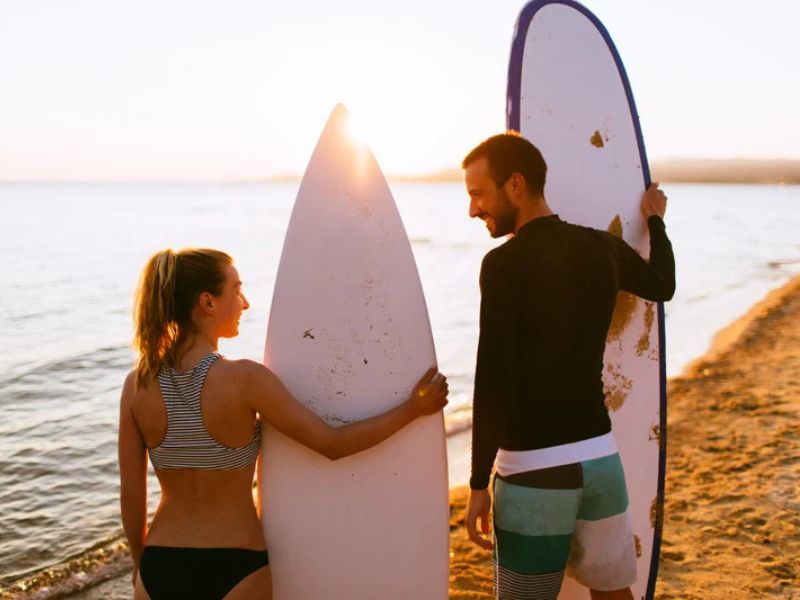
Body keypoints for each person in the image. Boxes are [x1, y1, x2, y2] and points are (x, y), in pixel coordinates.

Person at [118, 248, 448, 600]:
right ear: (207, 303)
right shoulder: (244, 379)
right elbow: (332, 444)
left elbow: (132, 493)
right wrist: (412, 410)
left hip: (160, 564)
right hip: (236, 565)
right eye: (236, 289)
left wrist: (141, 563)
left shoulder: (137, 385)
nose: (244, 304)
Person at [461, 133, 675, 600]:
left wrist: (478, 484)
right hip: (600, 462)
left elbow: (492, 381)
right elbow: (663, 284)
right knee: (614, 595)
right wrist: (654, 221)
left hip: (533, 473)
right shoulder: (601, 249)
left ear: (515, 184)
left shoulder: (503, 265)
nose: (473, 209)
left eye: (478, 194)